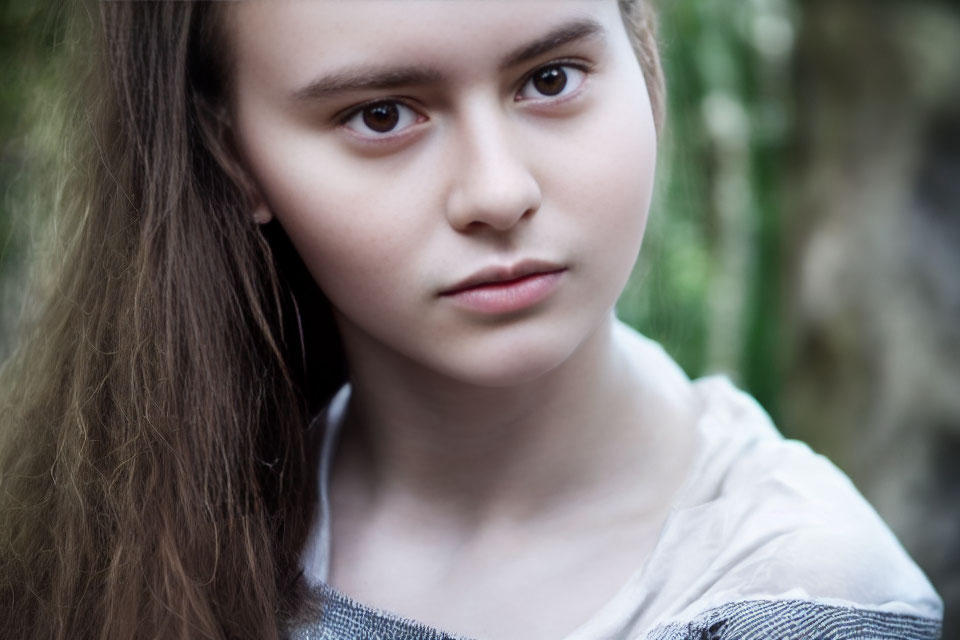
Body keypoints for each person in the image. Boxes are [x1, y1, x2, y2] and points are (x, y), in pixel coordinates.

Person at [0, 1, 942, 639]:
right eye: (380, 116)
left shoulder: (799, 591)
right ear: (234, 157)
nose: (499, 191)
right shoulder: (131, 527)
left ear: (641, 48)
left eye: (550, 79)